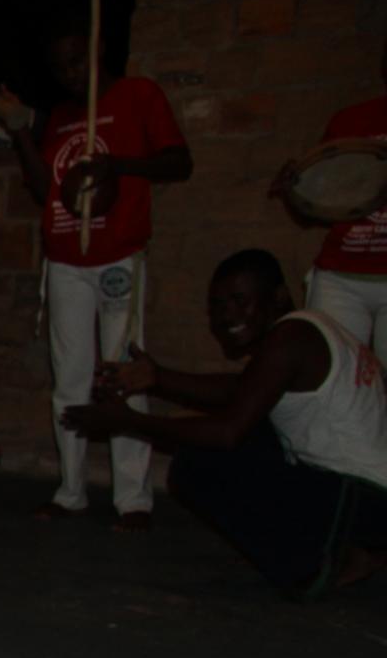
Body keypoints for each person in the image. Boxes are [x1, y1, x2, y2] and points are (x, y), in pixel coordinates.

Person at [63, 249, 387, 597]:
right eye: (217, 306)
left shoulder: (289, 338)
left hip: (365, 503)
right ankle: (330, 543)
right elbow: (242, 389)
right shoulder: (309, 328)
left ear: (277, 297)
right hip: (366, 500)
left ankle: (313, 565)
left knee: (198, 463)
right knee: (253, 428)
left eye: (239, 300)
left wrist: (131, 421)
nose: (226, 315)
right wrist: (157, 377)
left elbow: (227, 433)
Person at [0, 25, 191, 529]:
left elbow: (178, 162)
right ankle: (71, 489)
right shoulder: (60, 115)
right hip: (64, 260)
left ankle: (133, 499)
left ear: (98, 48)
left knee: (124, 373)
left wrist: (116, 166)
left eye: (77, 61)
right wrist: (18, 130)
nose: (70, 74)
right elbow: (46, 190)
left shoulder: (138, 94)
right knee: (71, 376)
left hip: (118, 255)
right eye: (60, 67)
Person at [273, 37, 387, 356]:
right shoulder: (351, 120)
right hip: (341, 274)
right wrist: (294, 190)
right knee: (331, 376)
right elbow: (312, 214)